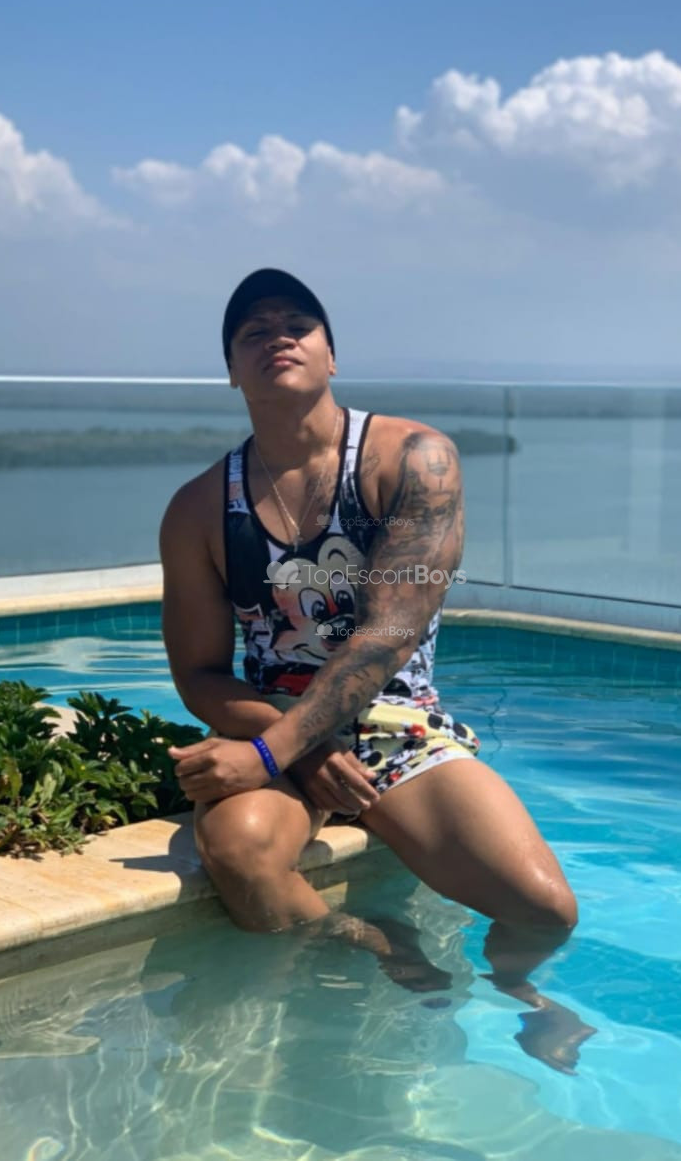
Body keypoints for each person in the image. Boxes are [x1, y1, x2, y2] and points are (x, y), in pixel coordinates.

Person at [160, 268, 595, 1073]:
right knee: (242, 855)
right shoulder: (198, 510)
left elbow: (389, 635)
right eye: (253, 331)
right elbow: (198, 672)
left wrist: (275, 750)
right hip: (273, 726)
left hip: (394, 724)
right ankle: (365, 940)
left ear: (332, 354)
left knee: (544, 910)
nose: (277, 336)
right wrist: (287, 750)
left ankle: (517, 987)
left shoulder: (414, 460)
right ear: (231, 371)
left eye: (298, 324)